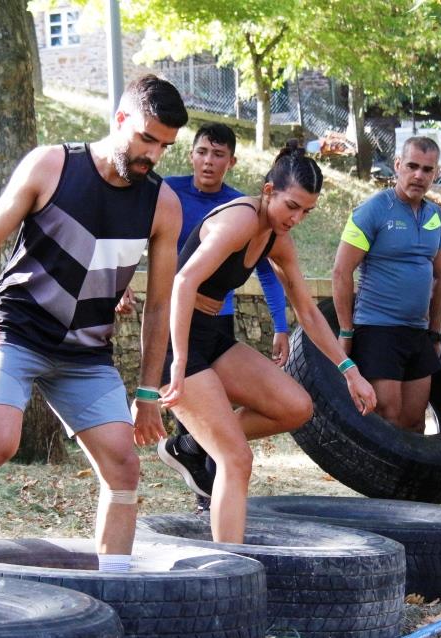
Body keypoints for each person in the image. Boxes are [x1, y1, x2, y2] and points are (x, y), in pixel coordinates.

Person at [0, 75, 189, 573]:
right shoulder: (52, 165)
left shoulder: (162, 204)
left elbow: (159, 304)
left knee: (124, 467)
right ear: (120, 119)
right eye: (147, 138)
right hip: (16, 331)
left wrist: (148, 392)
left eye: (165, 146)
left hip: (86, 353)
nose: (153, 155)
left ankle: (116, 591)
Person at [158, 141, 377, 544]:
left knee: (296, 407)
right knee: (236, 459)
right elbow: (183, 281)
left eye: (306, 211)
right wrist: (178, 360)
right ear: (268, 190)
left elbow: (308, 312)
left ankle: (190, 445)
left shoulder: (276, 237)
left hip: (214, 336)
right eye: (292, 206)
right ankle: (229, 566)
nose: (296, 218)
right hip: (176, 340)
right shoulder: (239, 220)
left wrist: (350, 371)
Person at [152, 123, 290, 513]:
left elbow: (268, 272)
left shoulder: (247, 207)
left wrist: (281, 325)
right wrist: (121, 286)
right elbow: (136, 239)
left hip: (219, 324)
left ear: (232, 161)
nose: (208, 161)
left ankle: (209, 498)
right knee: (205, 425)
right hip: (176, 321)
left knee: (218, 426)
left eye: (218, 155)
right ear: (191, 154)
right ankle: (206, 502)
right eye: (202, 152)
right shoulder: (169, 192)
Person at [331, 136, 441, 432]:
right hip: (377, 329)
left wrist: (435, 333)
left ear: (436, 173)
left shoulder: (436, 216)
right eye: (412, 166)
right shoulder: (373, 210)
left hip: (417, 333)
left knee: (415, 422)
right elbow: (341, 272)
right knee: (387, 417)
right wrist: (346, 331)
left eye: (427, 169)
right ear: (397, 165)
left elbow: (440, 277)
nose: (419, 175)